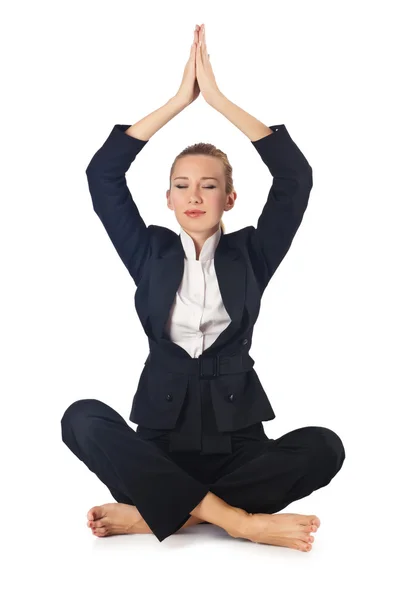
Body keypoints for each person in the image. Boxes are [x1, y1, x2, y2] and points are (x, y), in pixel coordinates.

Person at [61, 23, 345, 552]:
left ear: (230, 199)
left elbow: (295, 180)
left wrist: (216, 100)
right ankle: (236, 521)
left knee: (325, 448)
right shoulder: (150, 252)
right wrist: (177, 102)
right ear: (167, 199)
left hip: (239, 444)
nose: (195, 196)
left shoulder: (251, 254)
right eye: (182, 186)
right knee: (80, 418)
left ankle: (160, 515)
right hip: (158, 445)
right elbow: (103, 175)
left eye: (209, 185)